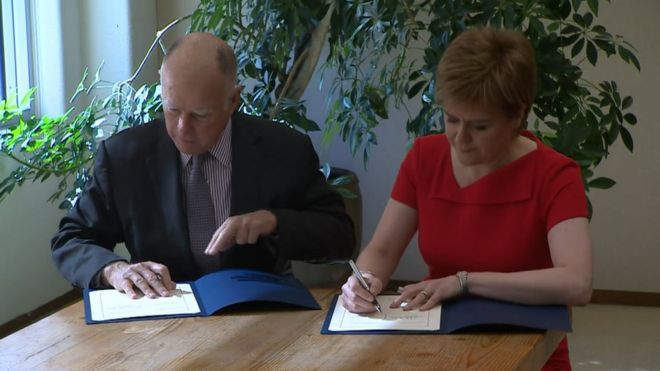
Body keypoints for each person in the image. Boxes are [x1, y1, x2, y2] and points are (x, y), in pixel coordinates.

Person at [340, 27, 592, 370]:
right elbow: (382, 250)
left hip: (528, 352)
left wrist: (465, 282)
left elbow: (576, 283)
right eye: (451, 119)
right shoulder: (424, 157)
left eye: (480, 126)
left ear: (517, 115)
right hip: (438, 345)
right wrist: (365, 279)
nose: (460, 138)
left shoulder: (554, 174)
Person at [51, 32, 354, 299]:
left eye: (201, 115)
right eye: (172, 109)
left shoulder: (283, 149)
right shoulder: (123, 157)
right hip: (163, 312)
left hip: (259, 312)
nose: (183, 129)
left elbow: (340, 237)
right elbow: (71, 239)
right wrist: (113, 270)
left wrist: (273, 221)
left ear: (233, 100)